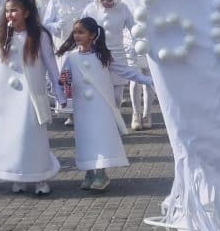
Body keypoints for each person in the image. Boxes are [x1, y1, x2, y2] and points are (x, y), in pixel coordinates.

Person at [0, 0, 65, 196]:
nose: (10, 15)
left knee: (31, 135)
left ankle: (40, 177)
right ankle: (17, 176)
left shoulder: (39, 35)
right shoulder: (2, 33)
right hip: (6, 94)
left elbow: (51, 64)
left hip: (29, 94)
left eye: (15, 11)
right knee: (11, 136)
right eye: (8, 11)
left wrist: (60, 93)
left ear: (26, 13)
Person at [57, 17, 153, 192]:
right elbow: (64, 79)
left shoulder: (102, 56)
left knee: (100, 137)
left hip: (100, 105)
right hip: (82, 107)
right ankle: (89, 172)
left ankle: (101, 173)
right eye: (75, 32)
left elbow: (125, 71)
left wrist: (147, 80)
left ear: (92, 35)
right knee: (85, 138)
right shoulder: (71, 57)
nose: (77, 35)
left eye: (81, 32)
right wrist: (63, 93)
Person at [43, 0, 90, 126]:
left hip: (81, 47)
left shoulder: (85, 0)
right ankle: (69, 112)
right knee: (66, 81)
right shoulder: (55, 1)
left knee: (81, 80)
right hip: (62, 47)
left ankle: (84, 109)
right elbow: (46, 23)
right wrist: (55, 26)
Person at [81, 0, 136, 110]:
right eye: (104, 0)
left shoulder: (123, 8)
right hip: (97, 55)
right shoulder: (90, 9)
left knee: (117, 96)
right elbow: (80, 30)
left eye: (111, 0)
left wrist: (135, 43)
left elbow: (134, 29)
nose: (108, 3)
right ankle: (104, 117)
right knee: (100, 92)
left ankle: (116, 116)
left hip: (118, 54)